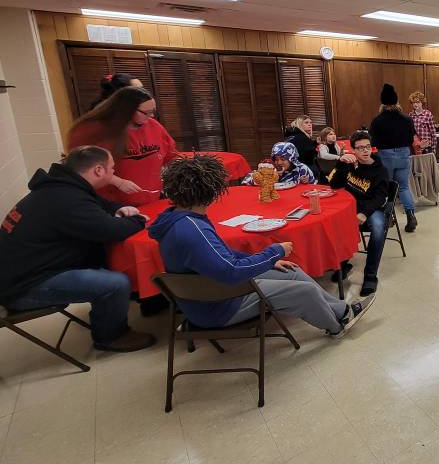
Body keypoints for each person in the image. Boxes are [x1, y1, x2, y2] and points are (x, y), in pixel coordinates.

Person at [149, 155, 373, 336]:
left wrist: (269, 262)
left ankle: (342, 310)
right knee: (303, 291)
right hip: (217, 304)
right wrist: (274, 252)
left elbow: (221, 256)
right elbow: (231, 271)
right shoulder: (192, 229)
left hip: (211, 291)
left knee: (292, 272)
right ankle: (336, 327)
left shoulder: (178, 219)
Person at [0, 146, 156, 352]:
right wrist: (138, 220)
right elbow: (110, 231)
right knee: (115, 284)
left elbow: (98, 204)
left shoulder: (61, 187)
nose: (114, 172)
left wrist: (118, 208)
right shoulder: (66, 199)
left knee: (102, 259)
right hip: (23, 288)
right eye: (112, 168)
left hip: (24, 273)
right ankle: (111, 337)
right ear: (98, 170)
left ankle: (112, 313)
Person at [66, 86, 177, 207]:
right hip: (111, 205)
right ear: (126, 110)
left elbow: (171, 157)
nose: (151, 116)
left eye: (152, 111)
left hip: (150, 201)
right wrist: (118, 182)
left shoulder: (154, 127)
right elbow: (81, 167)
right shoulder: (92, 130)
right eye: (145, 112)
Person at [328, 130, 389, 297]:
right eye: (360, 148)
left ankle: (370, 276)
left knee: (378, 229)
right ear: (353, 150)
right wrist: (341, 163)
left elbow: (380, 198)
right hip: (350, 207)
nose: (365, 151)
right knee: (332, 222)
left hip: (371, 208)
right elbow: (334, 185)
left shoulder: (380, 170)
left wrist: (364, 213)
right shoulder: (349, 164)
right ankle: (343, 264)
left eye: (368, 147)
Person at [370, 84, 418, 233]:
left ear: (382, 102)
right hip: (404, 154)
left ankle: (388, 217)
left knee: (386, 188)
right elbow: (411, 138)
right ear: (397, 101)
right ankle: (411, 215)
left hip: (386, 156)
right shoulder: (407, 119)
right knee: (403, 187)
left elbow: (373, 142)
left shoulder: (378, 120)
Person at [242, 142, 315, 186]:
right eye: (276, 159)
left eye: (283, 159)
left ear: (291, 159)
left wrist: (305, 182)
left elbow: (313, 189)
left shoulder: (302, 169)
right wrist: (267, 178)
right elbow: (246, 181)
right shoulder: (269, 167)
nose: (279, 163)